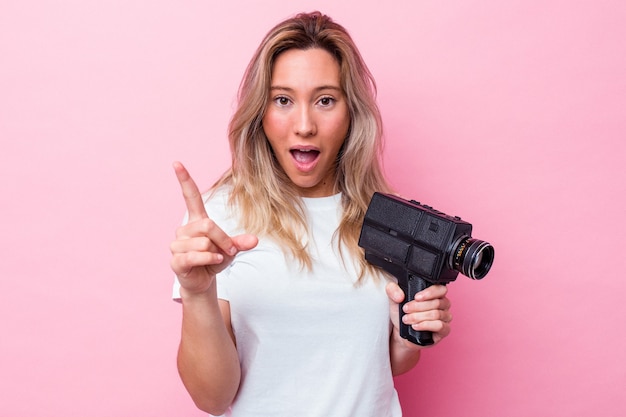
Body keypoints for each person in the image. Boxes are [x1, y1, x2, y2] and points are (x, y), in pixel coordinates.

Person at [170, 11, 452, 417]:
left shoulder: (390, 217)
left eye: (325, 100)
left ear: (351, 112)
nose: (304, 125)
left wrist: (411, 335)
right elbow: (212, 398)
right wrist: (198, 294)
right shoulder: (218, 216)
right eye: (283, 100)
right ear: (261, 114)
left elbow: (383, 365)